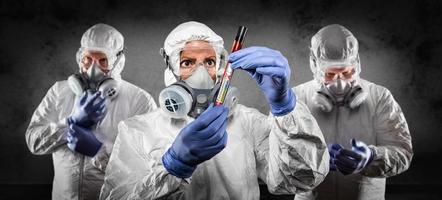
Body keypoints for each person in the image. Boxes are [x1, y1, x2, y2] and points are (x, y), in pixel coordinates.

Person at [100, 21, 329, 200]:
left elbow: (302, 179)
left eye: (209, 62)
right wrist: (173, 166)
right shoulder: (137, 131)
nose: (201, 74)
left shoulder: (246, 121)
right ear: (170, 67)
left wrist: (284, 106)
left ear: (220, 67)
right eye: (188, 63)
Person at [25, 23, 157, 200]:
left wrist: (98, 151)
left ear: (118, 62)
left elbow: (144, 170)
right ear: (80, 57)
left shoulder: (140, 101)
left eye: (103, 60)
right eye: (88, 59)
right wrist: (71, 123)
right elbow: (34, 142)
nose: (93, 69)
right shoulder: (59, 91)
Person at [293, 24, 413, 200]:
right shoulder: (296, 99)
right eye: (330, 74)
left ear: (357, 62)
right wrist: (313, 158)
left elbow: (403, 153)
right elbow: (274, 156)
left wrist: (372, 156)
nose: (340, 82)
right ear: (314, 65)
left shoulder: (379, 97)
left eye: (347, 72)